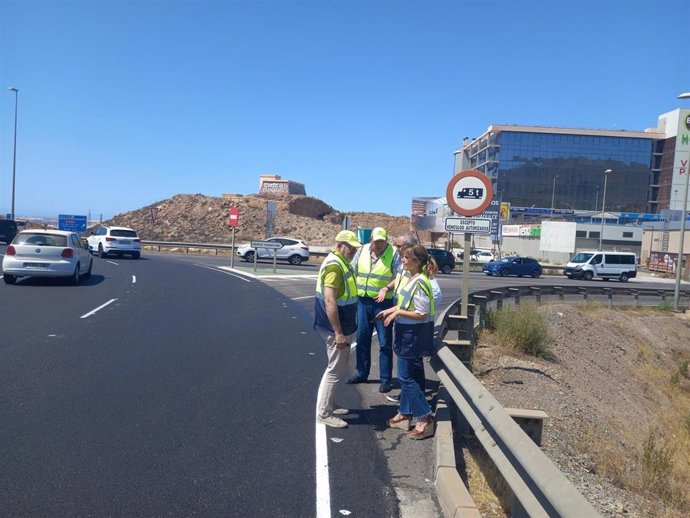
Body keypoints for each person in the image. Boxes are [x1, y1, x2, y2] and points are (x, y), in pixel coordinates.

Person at [378, 244, 435, 440]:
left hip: (413, 333)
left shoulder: (420, 282)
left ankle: (424, 416)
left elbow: (421, 313)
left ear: (416, 262)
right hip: (406, 331)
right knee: (413, 374)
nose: (402, 260)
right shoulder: (411, 278)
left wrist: (398, 312)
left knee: (404, 376)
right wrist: (393, 311)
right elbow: (405, 304)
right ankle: (405, 413)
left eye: (406, 257)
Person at [314, 230, 362, 428]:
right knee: (335, 370)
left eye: (354, 248)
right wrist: (338, 333)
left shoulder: (341, 262)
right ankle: (324, 412)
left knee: (337, 368)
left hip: (344, 324)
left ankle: (329, 404)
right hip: (337, 327)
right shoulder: (335, 266)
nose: (352, 251)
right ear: (340, 245)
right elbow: (329, 300)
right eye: (350, 247)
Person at [347, 227, 396, 393]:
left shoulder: (393, 254)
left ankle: (385, 380)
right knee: (362, 339)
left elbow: (400, 277)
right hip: (363, 302)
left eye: (382, 241)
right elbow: (351, 270)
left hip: (383, 304)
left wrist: (386, 288)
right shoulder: (361, 252)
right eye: (377, 241)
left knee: (385, 343)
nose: (379, 244)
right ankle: (361, 372)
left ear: (387, 240)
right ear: (371, 240)